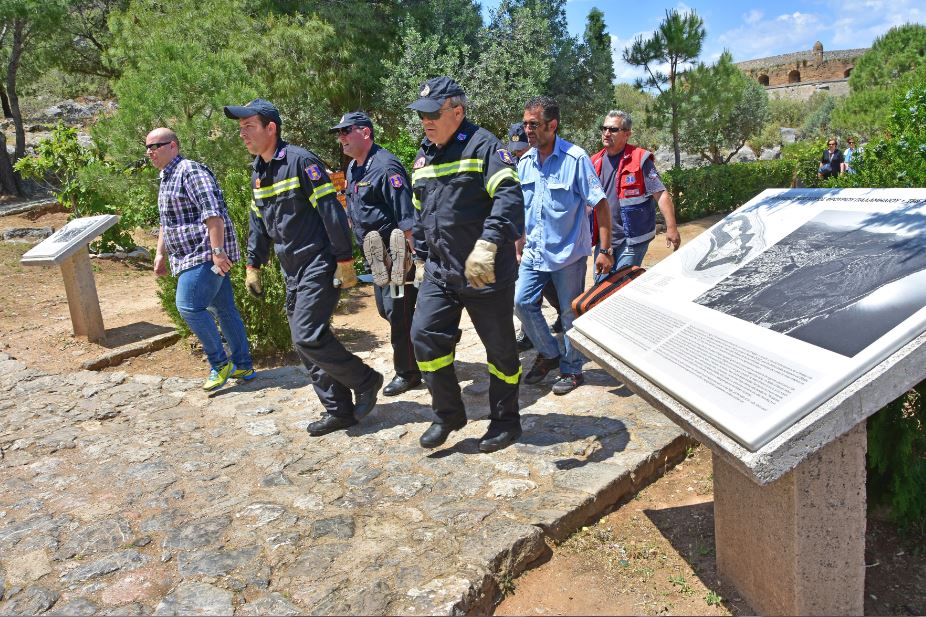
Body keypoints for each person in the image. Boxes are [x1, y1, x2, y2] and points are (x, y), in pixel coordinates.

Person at [223, 99, 383, 436]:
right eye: (240, 129)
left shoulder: (301, 162)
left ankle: (366, 379)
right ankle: (338, 410)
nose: (243, 134)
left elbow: (331, 212)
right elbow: (258, 222)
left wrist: (344, 260)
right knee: (303, 341)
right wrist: (253, 263)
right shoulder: (258, 171)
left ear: (271, 128)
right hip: (290, 268)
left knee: (308, 335)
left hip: (318, 263)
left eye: (249, 127)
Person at [407, 76, 525, 453]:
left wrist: (489, 242)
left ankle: (506, 421)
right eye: (421, 114)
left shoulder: (484, 146)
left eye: (433, 113)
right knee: (423, 336)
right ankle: (448, 413)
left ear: (457, 112)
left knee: (501, 350)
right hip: (441, 272)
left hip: (483, 270)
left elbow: (509, 196)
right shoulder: (423, 156)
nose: (425, 121)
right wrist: (422, 256)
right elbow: (420, 210)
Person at [514, 96, 612, 395]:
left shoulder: (576, 158)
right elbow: (520, 207)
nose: (527, 130)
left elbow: (601, 204)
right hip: (534, 252)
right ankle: (549, 352)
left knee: (570, 313)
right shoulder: (525, 162)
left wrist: (605, 250)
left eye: (533, 124)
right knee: (521, 303)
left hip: (568, 253)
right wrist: (518, 244)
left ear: (552, 125)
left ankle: (571, 370)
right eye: (525, 124)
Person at [148, 127, 255, 392]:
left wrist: (218, 253)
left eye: (156, 146)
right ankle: (243, 364)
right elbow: (167, 222)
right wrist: (161, 253)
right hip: (187, 255)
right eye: (147, 147)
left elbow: (213, 215)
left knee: (188, 306)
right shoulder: (166, 177)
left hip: (204, 254)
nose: (150, 152)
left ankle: (220, 363)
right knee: (224, 309)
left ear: (173, 145)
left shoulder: (190, 171)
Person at [329, 111, 421, 396]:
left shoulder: (385, 167)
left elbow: (406, 216)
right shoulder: (354, 167)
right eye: (339, 133)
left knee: (398, 314)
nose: (341, 137)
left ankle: (408, 372)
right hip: (375, 257)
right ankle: (433, 333)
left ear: (365, 133)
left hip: (396, 255)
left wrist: (417, 258)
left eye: (347, 131)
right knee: (386, 310)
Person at [591, 110, 681, 276]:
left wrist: (671, 227)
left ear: (627, 134)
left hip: (632, 239)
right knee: (600, 286)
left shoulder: (639, 159)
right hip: (605, 239)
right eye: (604, 128)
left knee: (620, 284)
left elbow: (660, 194)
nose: (606, 133)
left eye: (613, 129)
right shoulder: (593, 161)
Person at [508, 121, 563, 353]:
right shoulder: (517, 166)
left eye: (522, 147)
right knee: (527, 295)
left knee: (553, 290)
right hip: (529, 244)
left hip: (552, 243)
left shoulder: (548, 163)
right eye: (515, 149)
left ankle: (565, 318)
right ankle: (529, 334)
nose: (518, 152)